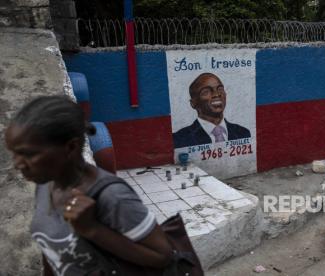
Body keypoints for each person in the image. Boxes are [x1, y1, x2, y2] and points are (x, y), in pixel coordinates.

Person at [4, 96, 174, 275]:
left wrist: (92, 230)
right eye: (14, 153)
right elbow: (51, 252)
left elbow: (163, 256)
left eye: (29, 154)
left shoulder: (112, 196)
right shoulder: (46, 184)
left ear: (71, 147)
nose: (17, 164)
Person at [173, 73, 251, 148]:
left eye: (220, 89)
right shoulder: (180, 139)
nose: (217, 94)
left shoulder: (243, 133)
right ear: (193, 103)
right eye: (206, 92)